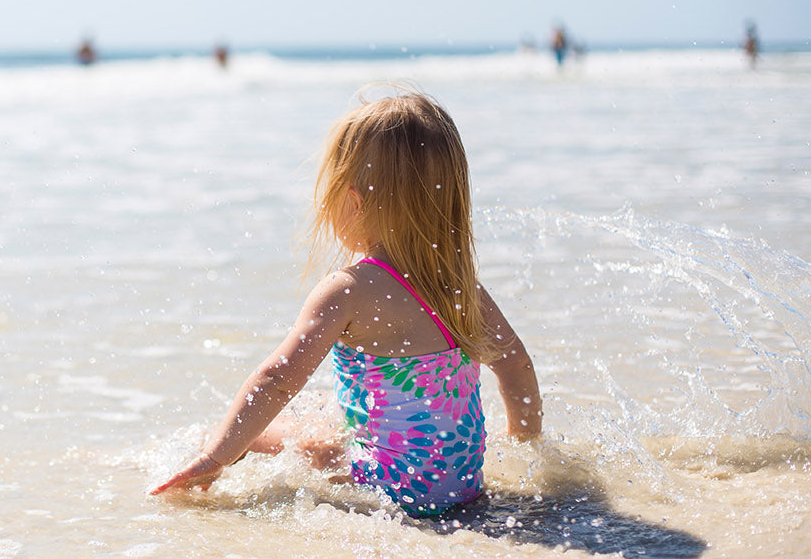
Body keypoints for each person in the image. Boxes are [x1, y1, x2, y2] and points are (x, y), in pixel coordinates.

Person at [151, 88, 543, 517]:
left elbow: (276, 380)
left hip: (388, 492)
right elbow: (516, 364)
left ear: (352, 201)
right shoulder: (462, 288)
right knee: (323, 409)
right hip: (461, 490)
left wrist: (217, 457)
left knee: (266, 435)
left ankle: (174, 463)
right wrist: (525, 447)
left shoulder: (348, 290)